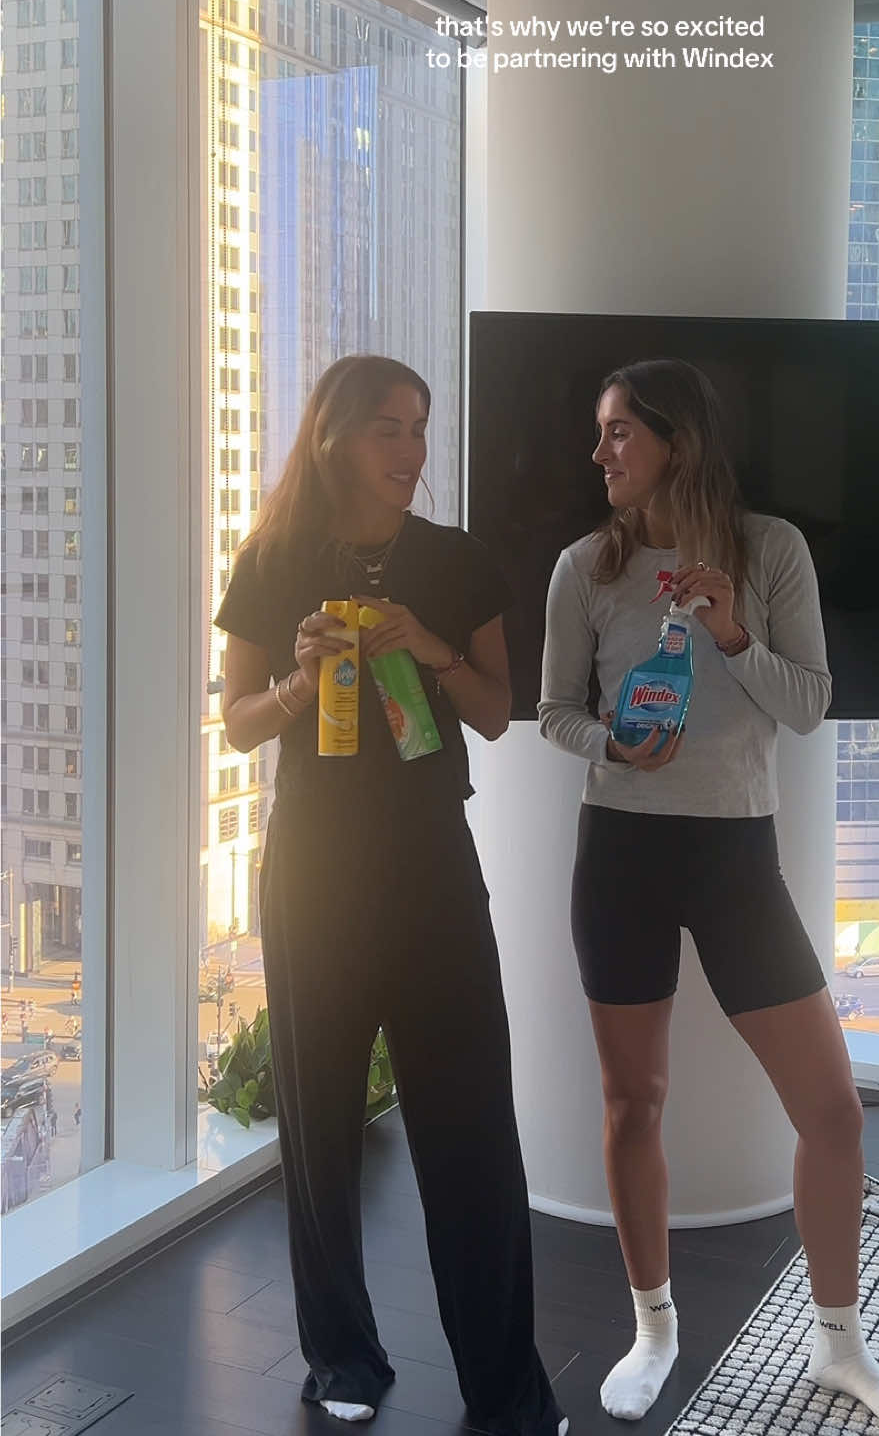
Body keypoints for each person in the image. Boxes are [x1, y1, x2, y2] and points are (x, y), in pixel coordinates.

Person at [539, 359, 879, 1436]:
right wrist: (613, 743)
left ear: (679, 440)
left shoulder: (771, 551)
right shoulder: (584, 566)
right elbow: (555, 710)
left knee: (833, 1111)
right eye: (601, 432)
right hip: (620, 850)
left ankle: (837, 1342)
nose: (599, 453)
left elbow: (808, 705)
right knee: (633, 1102)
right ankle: (653, 1327)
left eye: (619, 432)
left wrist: (731, 632)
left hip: (735, 856)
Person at [216, 355, 565, 1435]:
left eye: (420, 428)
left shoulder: (457, 561)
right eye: (389, 430)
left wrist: (429, 647)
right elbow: (237, 721)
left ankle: (505, 1384)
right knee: (320, 1121)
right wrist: (300, 680)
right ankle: (343, 1357)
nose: (412, 451)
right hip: (313, 870)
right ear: (334, 437)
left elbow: (498, 711)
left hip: (430, 866)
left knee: (471, 1126)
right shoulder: (272, 560)